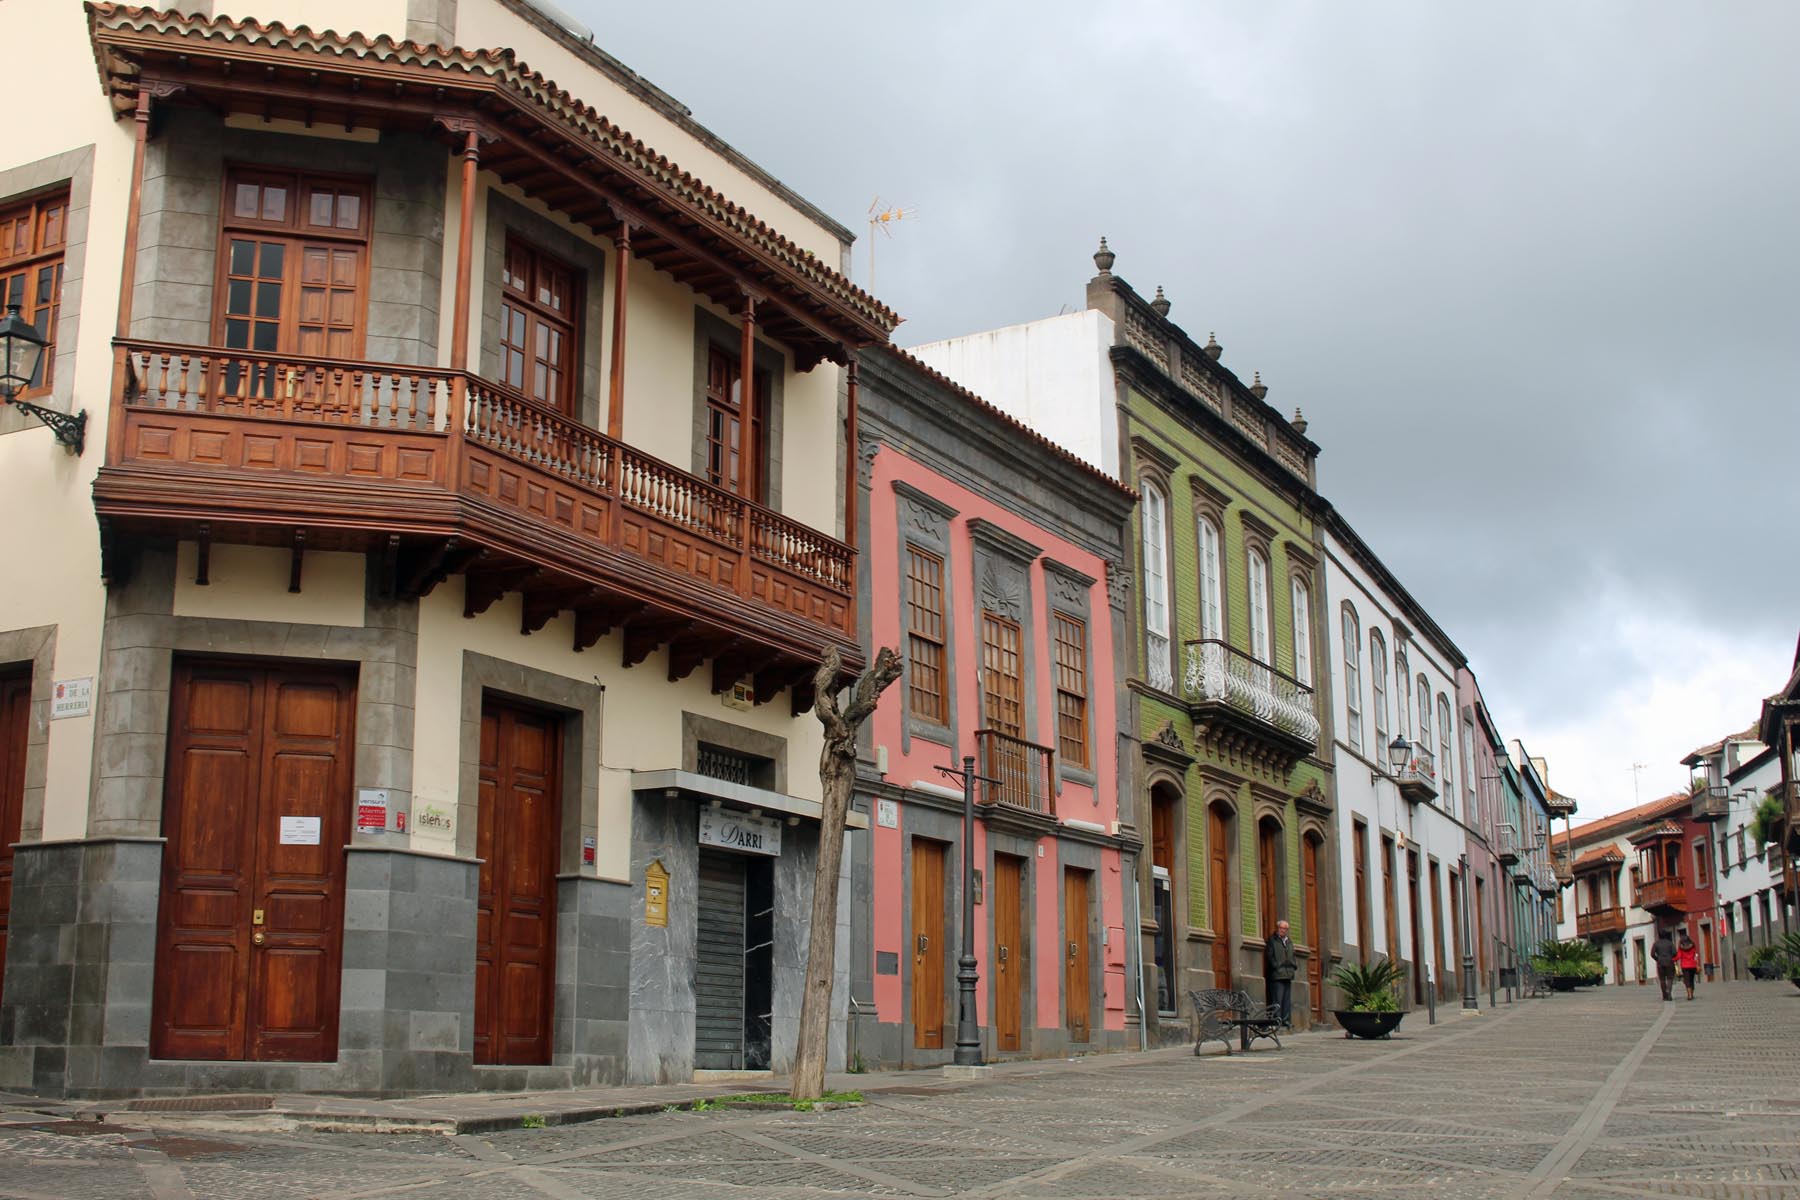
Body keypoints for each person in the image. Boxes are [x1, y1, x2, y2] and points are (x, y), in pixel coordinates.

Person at [1264, 919, 1297, 1026]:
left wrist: (1293, 966)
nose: (1283, 930)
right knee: (1277, 998)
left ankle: (1286, 1020)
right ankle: (1277, 1019)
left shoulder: (1289, 941)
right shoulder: (1272, 940)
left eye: (1286, 929)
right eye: (1282, 928)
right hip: (1277, 974)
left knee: (1286, 999)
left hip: (1288, 973)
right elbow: (1270, 955)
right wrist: (1276, 966)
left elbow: (1293, 954)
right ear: (1278, 928)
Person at [1651, 928, 1677, 1001]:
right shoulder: (1670, 943)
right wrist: (1670, 957)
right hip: (1669, 962)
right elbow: (1675, 953)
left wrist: (1657, 959)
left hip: (1660, 963)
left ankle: (1664, 995)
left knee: (1662, 979)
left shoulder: (1656, 944)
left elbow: (1652, 954)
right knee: (1669, 978)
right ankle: (1668, 991)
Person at [1676, 930, 1700, 1000]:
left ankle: (1689, 995)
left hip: (1685, 966)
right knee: (1692, 979)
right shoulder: (1693, 945)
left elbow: (1679, 956)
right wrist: (1697, 963)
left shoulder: (1681, 947)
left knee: (1687, 980)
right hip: (1692, 965)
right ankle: (1692, 994)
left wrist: (1673, 959)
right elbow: (1695, 955)